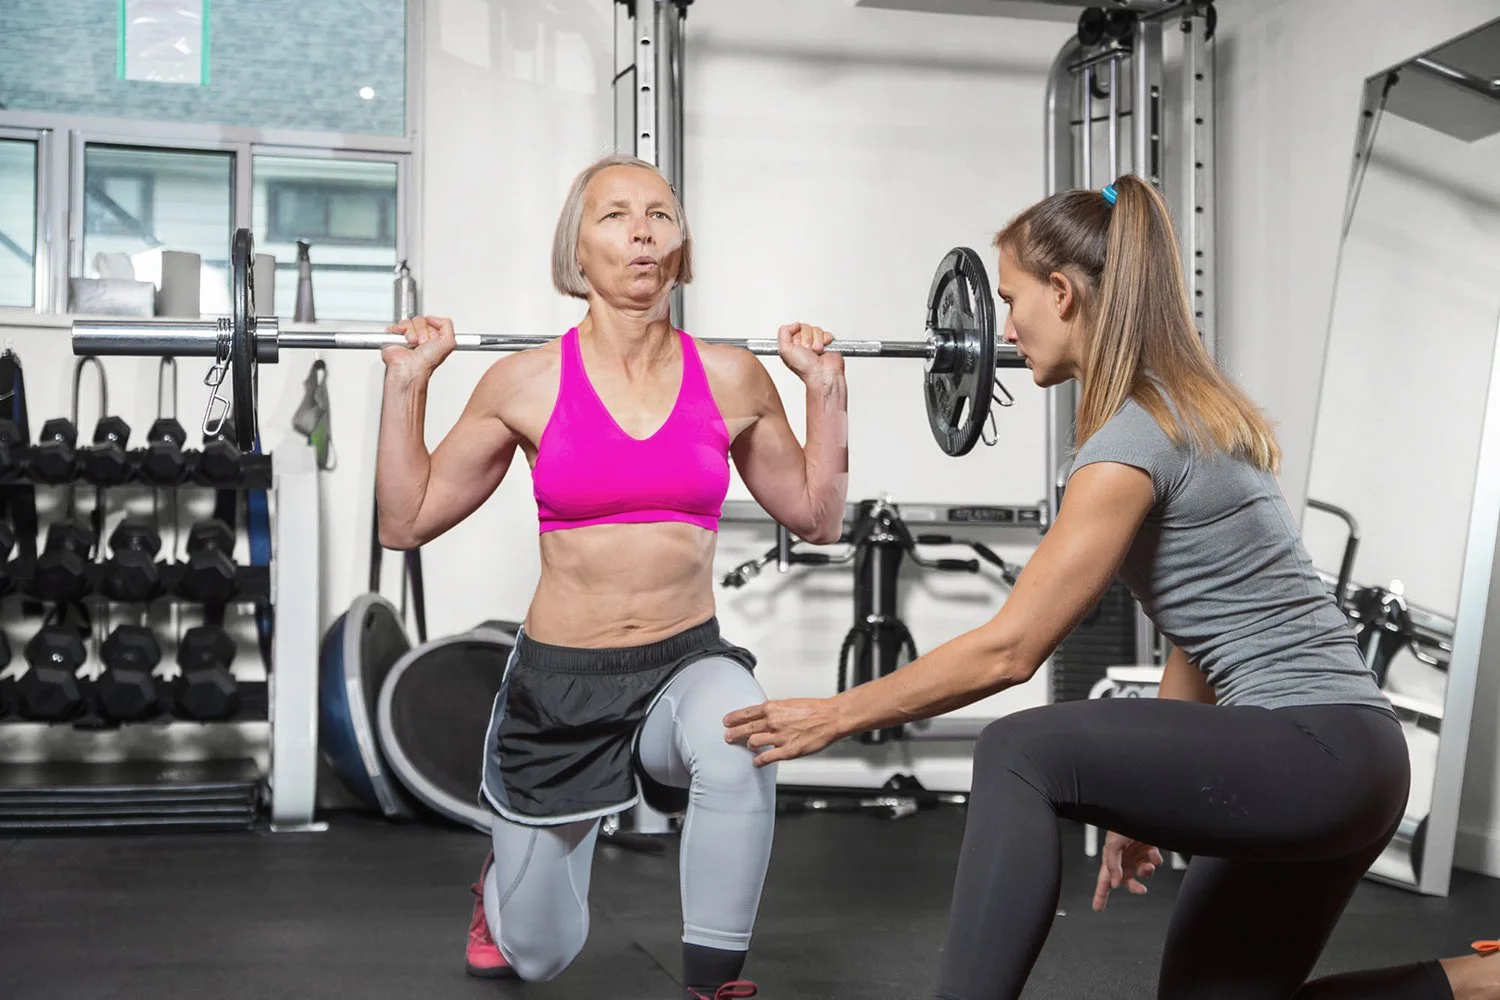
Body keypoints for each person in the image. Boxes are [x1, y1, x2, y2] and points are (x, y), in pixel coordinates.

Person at [723, 174, 1499, 1000]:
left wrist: (839, 712)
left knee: (1017, 750)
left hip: (1313, 751)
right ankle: (1478, 981)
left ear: (1063, 293)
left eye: (1012, 299)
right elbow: (1198, 637)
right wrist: (1145, 801)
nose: (1008, 327)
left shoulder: (1130, 443)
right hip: (1354, 762)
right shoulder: (1187, 413)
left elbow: (1012, 651)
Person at [375, 152, 850, 1000]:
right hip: (562, 686)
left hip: (683, 666)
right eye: (616, 215)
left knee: (742, 733)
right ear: (578, 251)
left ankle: (711, 986)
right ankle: (501, 892)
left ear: (679, 245)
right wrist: (407, 387)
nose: (642, 229)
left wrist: (825, 392)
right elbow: (404, 520)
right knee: (540, 953)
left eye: (660, 214)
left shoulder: (732, 375)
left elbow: (816, 517)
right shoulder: (523, 382)